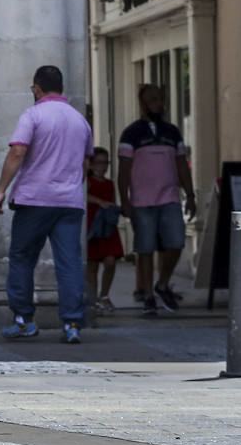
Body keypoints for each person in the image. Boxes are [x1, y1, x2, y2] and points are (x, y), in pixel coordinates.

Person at [0, 65, 91, 344]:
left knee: (22, 258)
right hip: (69, 202)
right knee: (69, 263)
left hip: (34, 199)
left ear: (37, 88)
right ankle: (72, 323)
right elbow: (85, 162)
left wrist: (1, 190)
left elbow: (18, 151)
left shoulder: (33, 115)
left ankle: (24, 320)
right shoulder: (79, 120)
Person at [117, 84, 196, 317]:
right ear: (142, 104)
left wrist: (190, 195)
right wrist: (125, 200)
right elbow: (124, 170)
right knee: (145, 249)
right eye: (152, 99)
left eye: (160, 99)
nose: (157, 103)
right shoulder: (131, 133)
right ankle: (148, 296)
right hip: (142, 202)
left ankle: (162, 284)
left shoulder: (172, 132)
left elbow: (182, 165)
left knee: (176, 242)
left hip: (170, 197)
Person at [84, 147, 122, 314]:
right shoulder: (87, 181)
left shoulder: (109, 183)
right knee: (91, 265)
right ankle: (92, 299)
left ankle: (104, 295)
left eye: (106, 162)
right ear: (91, 165)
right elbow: (82, 196)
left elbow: (112, 201)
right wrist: (99, 202)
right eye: (99, 162)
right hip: (92, 225)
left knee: (110, 261)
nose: (103, 166)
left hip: (107, 227)